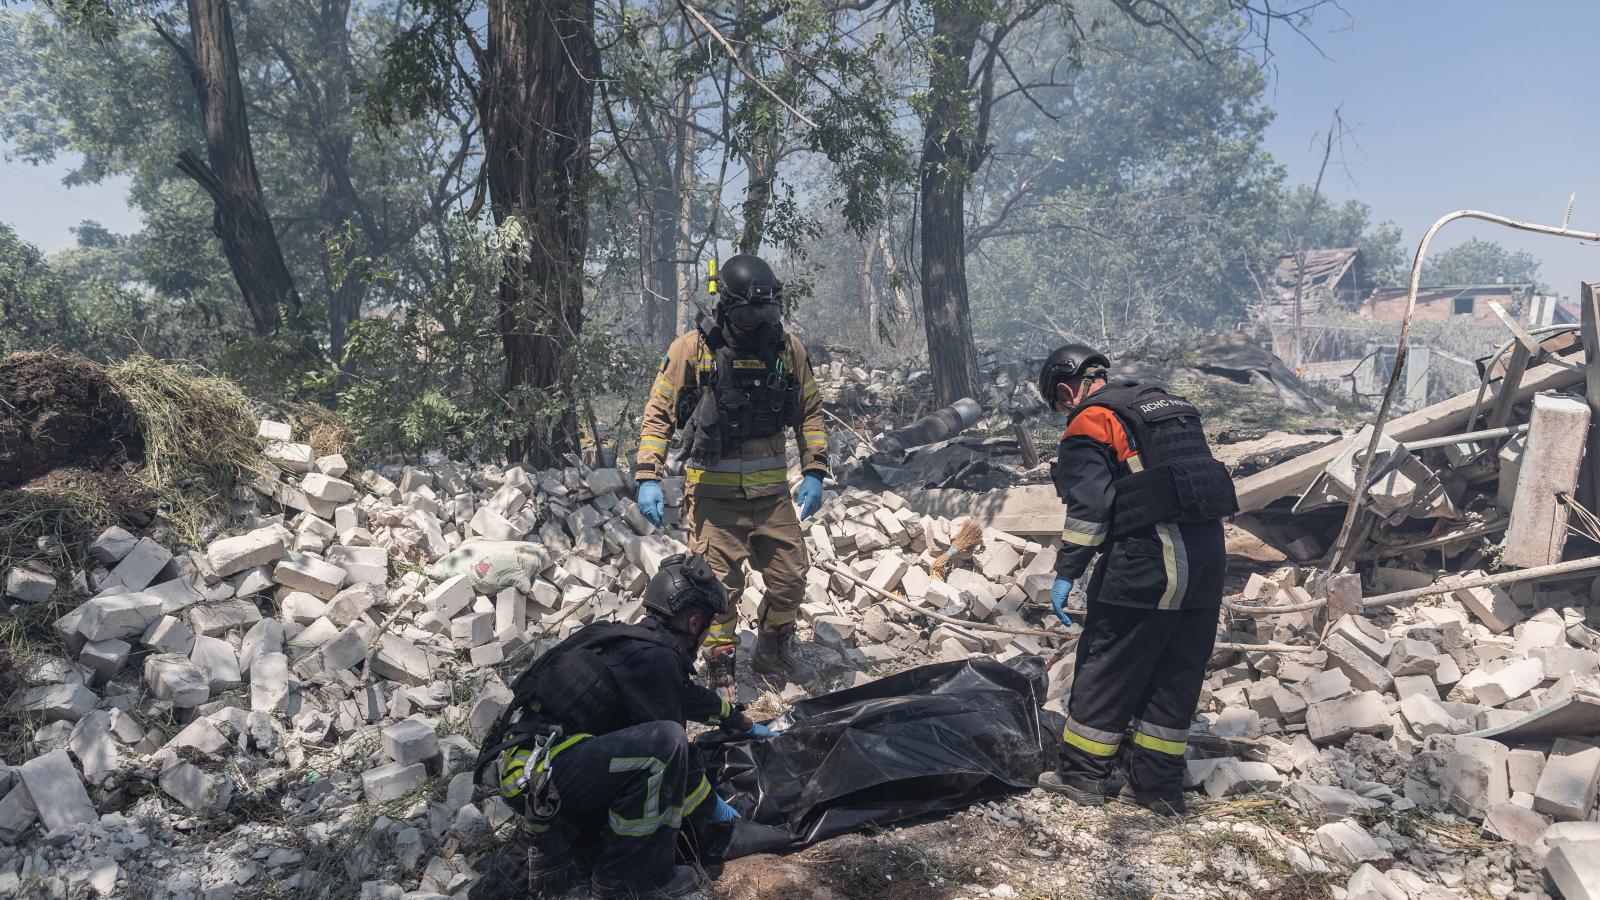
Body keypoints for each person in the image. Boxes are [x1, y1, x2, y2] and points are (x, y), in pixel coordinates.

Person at [471, 554, 774, 899]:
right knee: (667, 746)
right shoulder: (654, 658)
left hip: (532, 769)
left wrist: (740, 722)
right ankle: (630, 880)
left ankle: (569, 839)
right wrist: (719, 818)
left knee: (656, 753)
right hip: (543, 778)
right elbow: (677, 759)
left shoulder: (631, 643)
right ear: (694, 622)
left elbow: (685, 695)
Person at [1033, 343, 1238, 816]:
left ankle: (1081, 776)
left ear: (1067, 390)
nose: (1065, 412)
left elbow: (1090, 511)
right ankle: (1157, 788)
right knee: (1176, 672)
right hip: (1208, 564)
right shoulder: (1166, 406)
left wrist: (1067, 572)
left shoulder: (1090, 420)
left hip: (1152, 562)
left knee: (1110, 663)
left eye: (1059, 405)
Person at [632, 253, 830, 694]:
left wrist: (815, 468)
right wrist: (648, 475)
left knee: (792, 577)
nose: (759, 320)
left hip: (772, 497)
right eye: (748, 311)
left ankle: (772, 653)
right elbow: (658, 414)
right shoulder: (691, 350)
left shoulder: (788, 350)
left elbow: (811, 414)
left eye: (767, 310)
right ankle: (720, 666)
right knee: (716, 589)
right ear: (726, 305)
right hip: (713, 502)